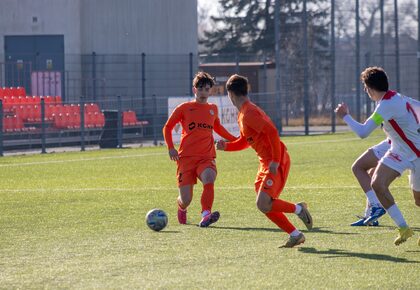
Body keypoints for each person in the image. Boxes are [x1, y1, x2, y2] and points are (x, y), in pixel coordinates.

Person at [216, 74, 313, 248]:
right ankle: (295, 234)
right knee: (265, 205)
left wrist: (275, 160)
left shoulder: (249, 113)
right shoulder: (243, 113)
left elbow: (272, 132)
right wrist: (227, 147)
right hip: (266, 162)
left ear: (230, 94)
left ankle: (299, 209)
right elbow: (246, 141)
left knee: (263, 202)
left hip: (276, 160)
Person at [335, 66, 419, 246]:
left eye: (365, 88)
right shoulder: (393, 97)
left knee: (419, 201)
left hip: (417, 153)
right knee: (377, 184)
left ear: (370, 88)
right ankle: (404, 228)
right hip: (398, 150)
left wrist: (345, 116)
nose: (366, 92)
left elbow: (363, 132)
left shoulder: (387, 104)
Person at [163, 71, 237, 227]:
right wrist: (170, 147)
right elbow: (168, 127)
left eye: (207, 89)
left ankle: (206, 214)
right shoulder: (184, 108)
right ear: (194, 90)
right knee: (186, 199)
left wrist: (236, 139)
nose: (204, 92)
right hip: (186, 158)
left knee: (209, 178)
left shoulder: (213, 109)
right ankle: (181, 207)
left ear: (210, 90)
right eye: (201, 88)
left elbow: (217, 127)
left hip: (206, 156)